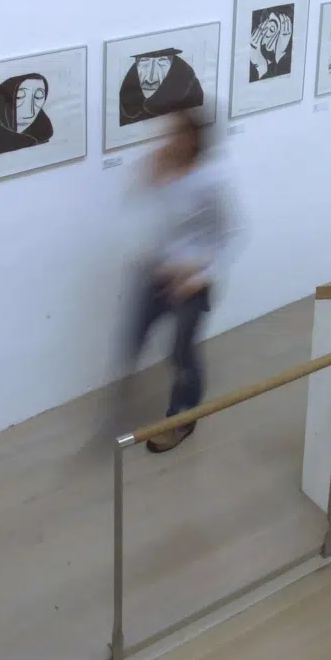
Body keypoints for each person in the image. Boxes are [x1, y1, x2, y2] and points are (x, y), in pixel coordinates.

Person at [121, 110, 231, 452]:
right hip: (161, 273)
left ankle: (182, 418)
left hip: (193, 283)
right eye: (170, 134)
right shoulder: (169, 170)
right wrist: (153, 176)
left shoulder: (212, 179)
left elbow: (231, 233)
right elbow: (155, 212)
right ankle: (118, 413)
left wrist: (198, 275)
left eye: (179, 135)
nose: (171, 140)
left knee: (182, 353)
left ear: (196, 138)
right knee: (133, 336)